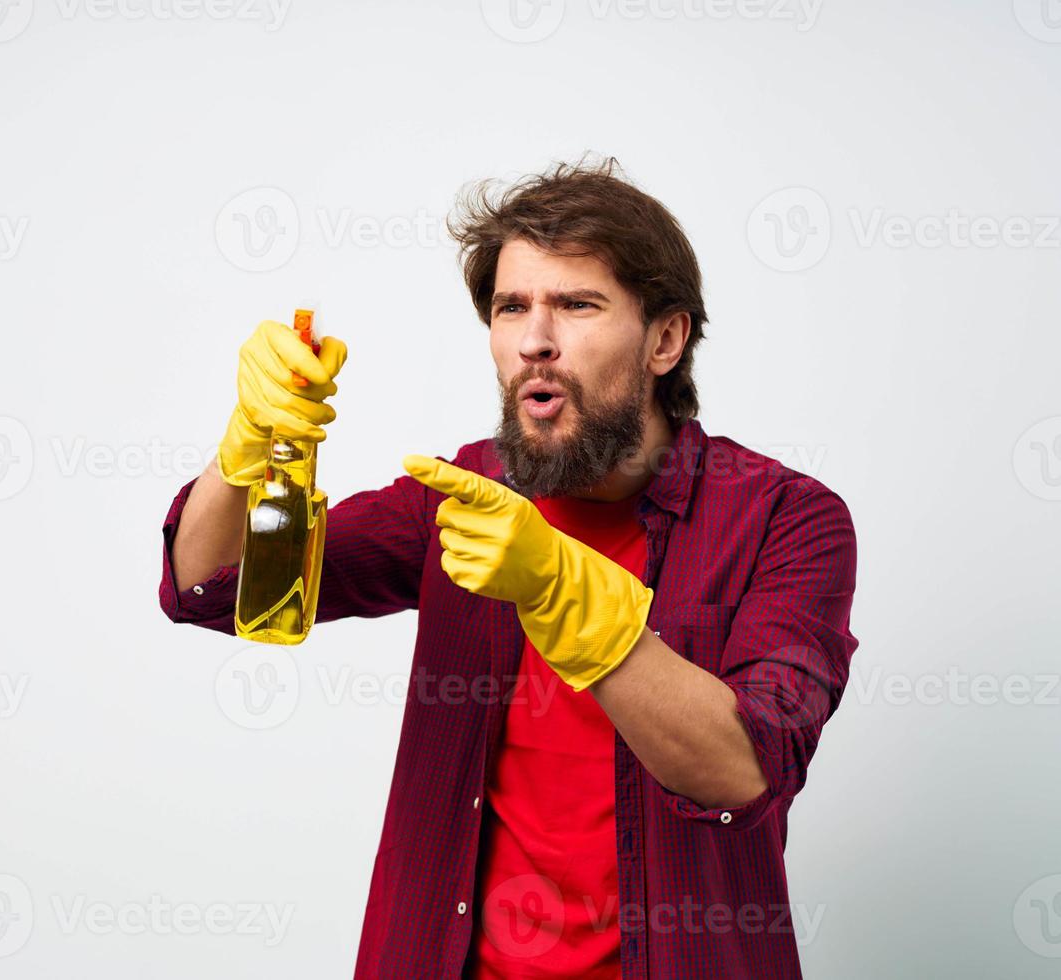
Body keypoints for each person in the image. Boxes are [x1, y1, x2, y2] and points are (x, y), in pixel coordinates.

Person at [158, 159, 859, 979]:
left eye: (577, 305)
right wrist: (244, 452)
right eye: (512, 306)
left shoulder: (786, 519)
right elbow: (211, 586)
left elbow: (746, 773)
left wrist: (560, 590)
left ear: (665, 339)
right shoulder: (461, 496)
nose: (534, 339)